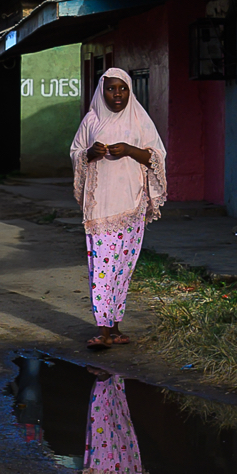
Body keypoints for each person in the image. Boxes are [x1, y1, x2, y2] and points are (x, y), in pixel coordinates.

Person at [69, 68, 167, 350]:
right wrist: (89, 154)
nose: (117, 95)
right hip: (101, 209)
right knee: (101, 268)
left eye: (122, 88)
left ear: (130, 90)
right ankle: (102, 330)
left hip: (131, 206)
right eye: (111, 89)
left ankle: (115, 326)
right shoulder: (92, 120)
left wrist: (128, 150)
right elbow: (76, 153)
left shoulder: (140, 119)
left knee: (123, 269)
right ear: (102, 91)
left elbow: (156, 155)